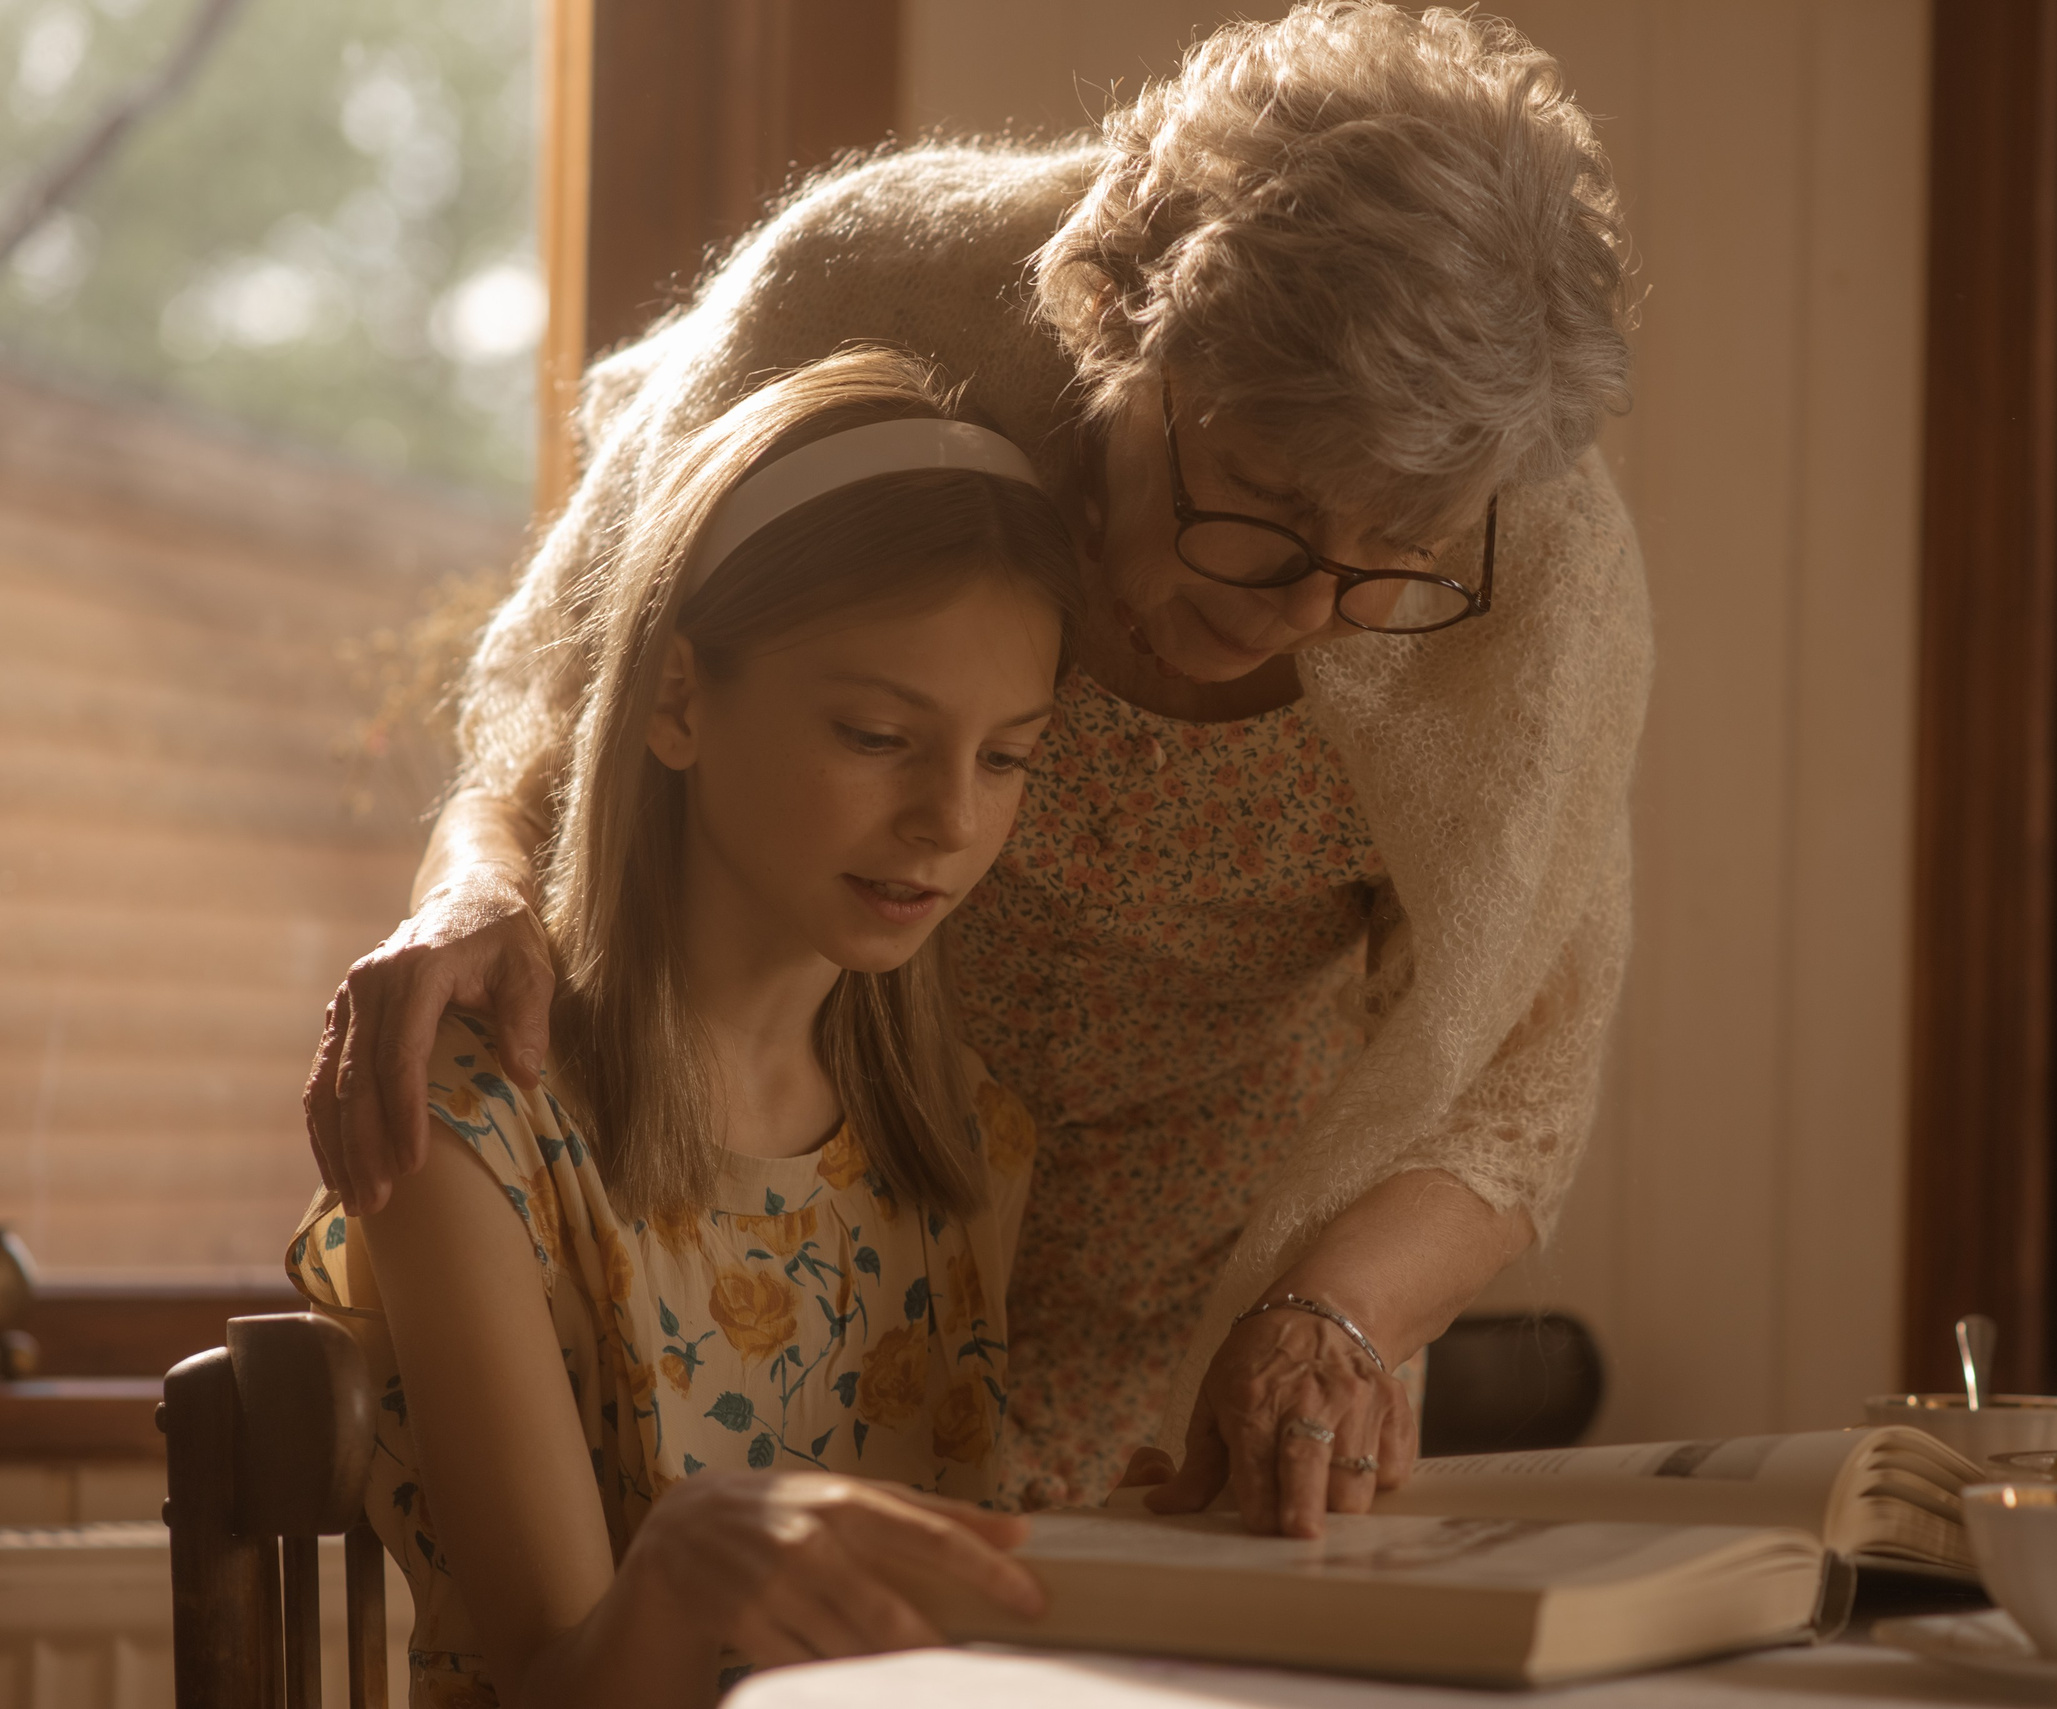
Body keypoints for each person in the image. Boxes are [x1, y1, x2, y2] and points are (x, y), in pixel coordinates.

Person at [305, 2, 1650, 1537]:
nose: (1307, 612)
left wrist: (1331, 1315)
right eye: (1265, 509)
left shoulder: (1526, 549)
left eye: (1386, 564)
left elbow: (1524, 1068)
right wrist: (475, 884)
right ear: (1116, 317)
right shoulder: (886, 284)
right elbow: (572, 693)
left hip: (1215, 1277)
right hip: (785, 1190)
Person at [287, 347, 1073, 1704]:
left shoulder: (957, 1133)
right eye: (879, 734)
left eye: (1007, 756)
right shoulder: (478, 1134)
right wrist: (686, 1566)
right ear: (678, 700)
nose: (952, 816)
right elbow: (549, 1679)